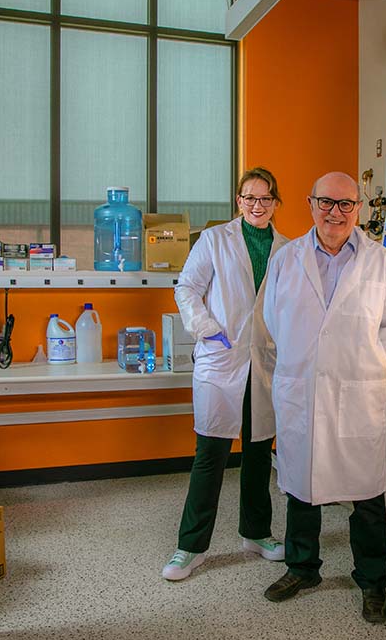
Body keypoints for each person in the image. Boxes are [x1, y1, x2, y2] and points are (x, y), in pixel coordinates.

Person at [261, 171, 386, 623]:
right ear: (310, 205)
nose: (335, 212)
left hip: (356, 392)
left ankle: (372, 581)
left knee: (366, 495)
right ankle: (302, 568)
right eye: (326, 202)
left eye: (346, 204)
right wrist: (312, 361)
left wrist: (355, 366)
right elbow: (273, 319)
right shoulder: (286, 260)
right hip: (302, 389)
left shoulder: (383, 263)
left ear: (358, 210)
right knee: (300, 488)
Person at [162, 167, 290, 581]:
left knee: (257, 453)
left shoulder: (287, 249)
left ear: (275, 202)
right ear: (238, 201)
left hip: (264, 364)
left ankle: (257, 533)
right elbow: (186, 288)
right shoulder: (215, 240)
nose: (257, 205)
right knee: (210, 456)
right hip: (222, 359)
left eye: (265, 198)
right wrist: (208, 329)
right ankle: (190, 547)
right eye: (249, 198)